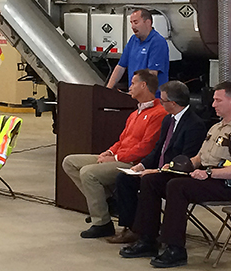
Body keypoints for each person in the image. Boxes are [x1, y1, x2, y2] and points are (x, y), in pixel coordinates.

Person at [119, 81, 231, 268]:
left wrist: (209, 172)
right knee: (152, 181)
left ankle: (175, 249)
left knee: (177, 186)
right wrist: (168, 168)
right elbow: (198, 158)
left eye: (218, 100)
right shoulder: (215, 128)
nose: (213, 104)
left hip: (223, 185)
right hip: (203, 177)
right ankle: (147, 239)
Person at [62, 69, 167, 239]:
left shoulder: (158, 114)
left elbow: (146, 148)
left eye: (133, 84)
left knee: (88, 173)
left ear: (144, 85)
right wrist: (108, 152)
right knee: (70, 162)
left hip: (134, 162)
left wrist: (116, 158)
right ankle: (108, 200)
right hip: (119, 156)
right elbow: (122, 139)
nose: (130, 87)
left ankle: (102, 222)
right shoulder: (135, 113)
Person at [106, 80, 207, 244]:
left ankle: (148, 234)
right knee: (124, 179)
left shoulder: (194, 125)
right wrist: (143, 165)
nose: (161, 103)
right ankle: (132, 227)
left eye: (163, 100)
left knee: (149, 181)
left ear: (173, 103)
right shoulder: (168, 120)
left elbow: (186, 159)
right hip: (159, 169)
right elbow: (158, 148)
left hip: (175, 173)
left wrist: (158, 171)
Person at [106, 8, 169, 98]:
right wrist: (107, 90)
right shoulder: (133, 40)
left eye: (136, 22)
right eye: (131, 23)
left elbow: (152, 75)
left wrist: (135, 93)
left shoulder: (158, 42)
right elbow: (120, 67)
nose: (132, 26)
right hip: (135, 97)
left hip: (153, 99)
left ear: (148, 22)